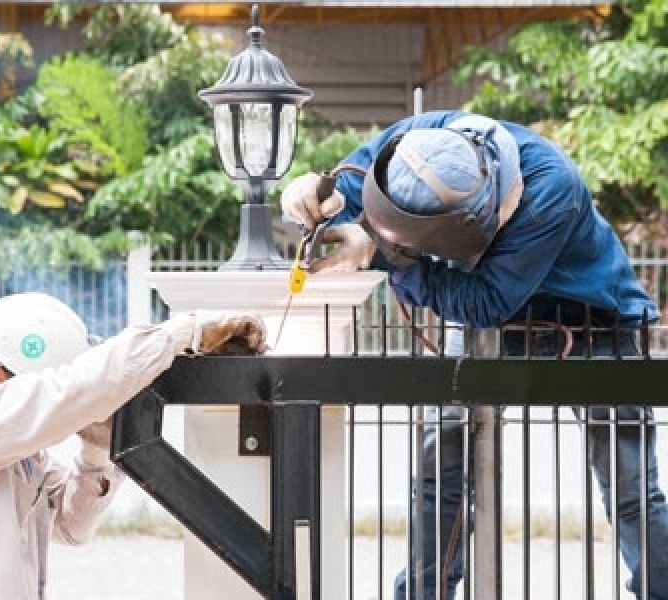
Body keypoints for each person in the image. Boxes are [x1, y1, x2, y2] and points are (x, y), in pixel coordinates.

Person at [281, 111, 668, 599]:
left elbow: (484, 302)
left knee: (630, 487)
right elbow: (353, 182)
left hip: (592, 325)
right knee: (439, 466)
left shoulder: (552, 190)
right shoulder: (417, 143)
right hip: (493, 325)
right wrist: (315, 198)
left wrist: (378, 255)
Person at [0, 292, 267, 600]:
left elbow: (71, 526)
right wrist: (180, 334)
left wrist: (94, 455)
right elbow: (66, 393)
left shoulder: (8, 452)